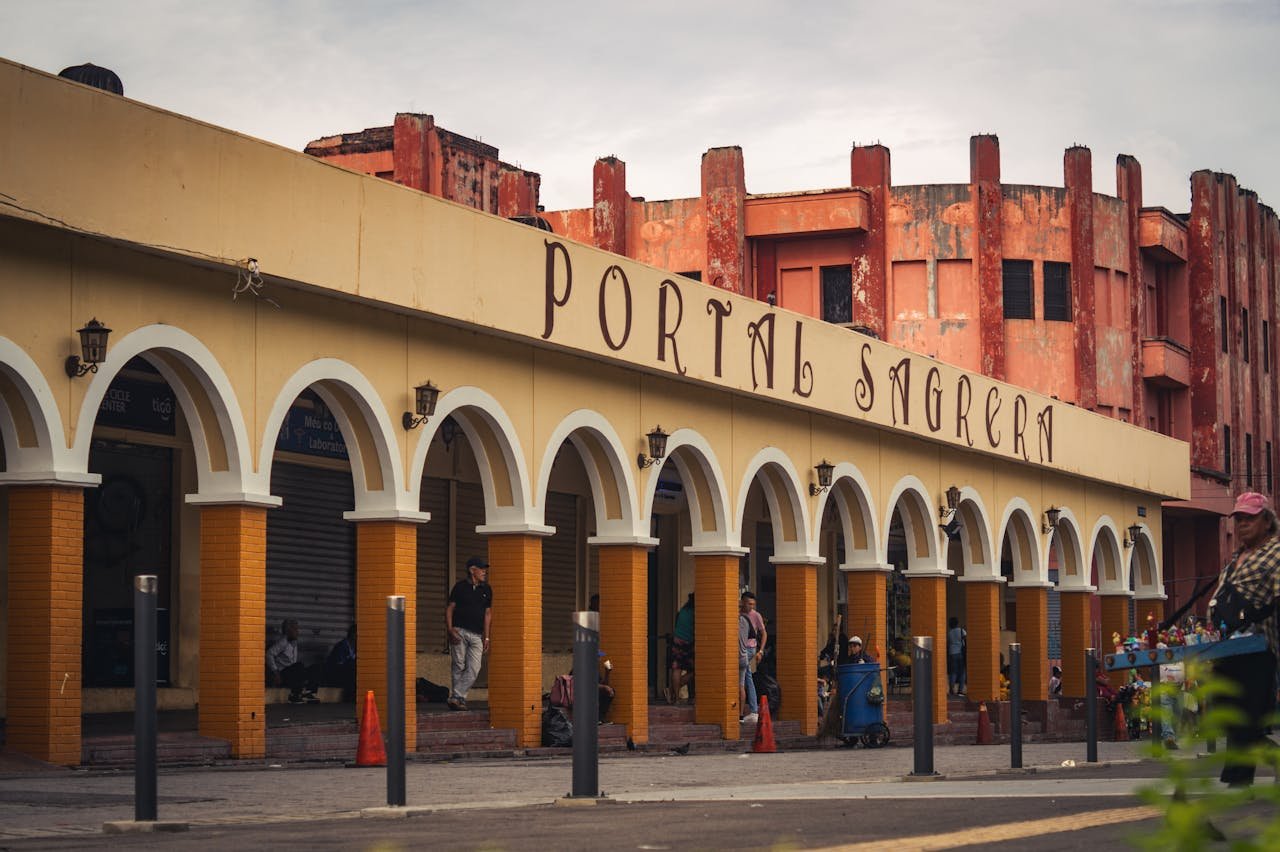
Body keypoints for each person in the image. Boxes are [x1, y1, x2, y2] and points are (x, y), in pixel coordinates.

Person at [1208, 491, 1280, 786]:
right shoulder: (1237, 556)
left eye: (1249, 518)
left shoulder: (1276, 553)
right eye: (1238, 519)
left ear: (1267, 521)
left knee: (1247, 718)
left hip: (1258, 650)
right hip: (1229, 649)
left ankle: (1239, 781)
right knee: (1226, 714)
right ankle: (1243, 775)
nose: (1242, 525)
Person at [445, 556, 492, 711]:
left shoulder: (486, 589)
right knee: (458, 665)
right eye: (481, 569)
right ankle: (460, 700)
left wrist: (486, 636)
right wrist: (450, 629)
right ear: (472, 570)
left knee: (474, 668)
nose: (484, 572)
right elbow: (450, 608)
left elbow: (487, 614)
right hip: (459, 631)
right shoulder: (460, 587)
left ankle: (456, 696)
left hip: (477, 634)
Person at [266, 618, 321, 704]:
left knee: (316, 668)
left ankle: (308, 693)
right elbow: (269, 654)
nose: (298, 632)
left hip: (292, 675)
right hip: (283, 675)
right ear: (288, 630)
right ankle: (294, 696)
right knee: (298, 666)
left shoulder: (294, 643)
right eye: (295, 629)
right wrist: (275, 672)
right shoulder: (283, 642)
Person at [738, 591, 767, 723]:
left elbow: (763, 633)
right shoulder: (738, 613)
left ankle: (752, 710)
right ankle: (753, 710)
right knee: (747, 677)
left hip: (749, 648)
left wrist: (760, 651)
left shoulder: (755, 615)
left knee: (744, 677)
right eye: (749, 604)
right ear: (742, 602)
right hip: (740, 648)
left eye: (753, 604)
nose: (751, 607)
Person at [667, 593, 694, 704]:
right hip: (689, 643)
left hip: (676, 641)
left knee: (676, 669)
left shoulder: (682, 611)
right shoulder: (695, 612)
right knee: (694, 670)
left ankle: (676, 698)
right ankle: (676, 687)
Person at [324, 623, 357, 701]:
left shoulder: (356, 647)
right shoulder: (341, 646)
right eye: (357, 634)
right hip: (336, 674)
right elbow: (338, 664)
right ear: (352, 634)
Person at [947, 616, 967, 695]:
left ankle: (951, 689)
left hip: (952, 653)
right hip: (960, 653)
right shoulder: (962, 631)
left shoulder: (950, 633)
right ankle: (960, 690)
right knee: (962, 672)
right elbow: (965, 639)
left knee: (953, 672)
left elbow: (948, 643)